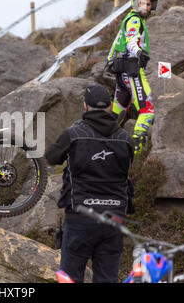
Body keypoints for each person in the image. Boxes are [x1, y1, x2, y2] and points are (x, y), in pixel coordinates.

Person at [45, 85, 135, 283]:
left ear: (85, 106)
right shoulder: (126, 140)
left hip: (81, 217)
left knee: (70, 278)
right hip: (114, 219)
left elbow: (50, 157)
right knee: (106, 279)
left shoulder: (73, 134)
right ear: (111, 107)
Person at [105, 0, 158, 154]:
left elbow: (117, 41)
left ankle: (97, 145)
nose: (146, 7)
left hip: (121, 73)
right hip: (132, 71)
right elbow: (130, 40)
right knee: (148, 111)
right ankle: (136, 152)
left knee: (116, 113)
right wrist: (139, 52)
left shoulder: (128, 18)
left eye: (149, 4)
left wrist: (110, 59)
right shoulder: (135, 20)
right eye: (142, 3)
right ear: (135, 3)